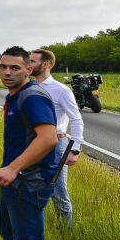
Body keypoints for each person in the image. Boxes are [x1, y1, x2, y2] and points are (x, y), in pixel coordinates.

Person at [0, 46, 59, 240]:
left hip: (28, 183)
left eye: (15, 68)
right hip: (17, 182)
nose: (7, 72)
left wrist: (13, 168)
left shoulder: (31, 97)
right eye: (3, 67)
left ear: (28, 70)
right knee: (5, 226)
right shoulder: (16, 95)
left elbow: (49, 138)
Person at [30, 48, 83, 228]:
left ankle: (64, 236)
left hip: (56, 145)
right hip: (32, 143)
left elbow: (76, 120)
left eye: (32, 61)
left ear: (46, 65)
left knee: (58, 192)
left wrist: (74, 149)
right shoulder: (29, 87)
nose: (28, 65)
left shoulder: (61, 90)